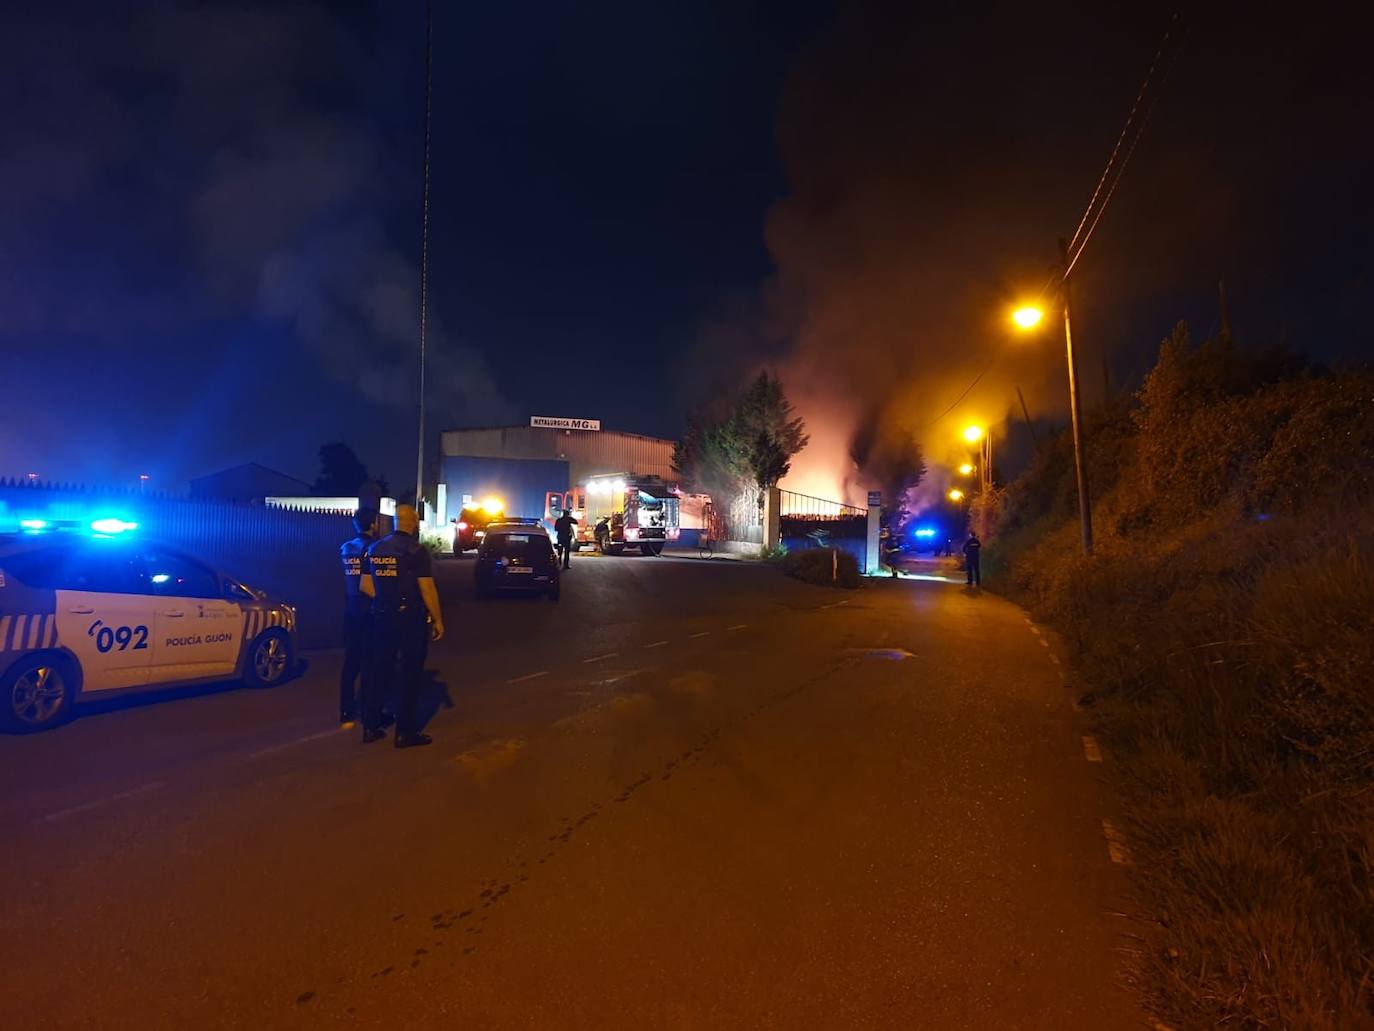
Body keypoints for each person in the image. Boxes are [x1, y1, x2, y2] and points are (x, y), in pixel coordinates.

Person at [359, 504, 445, 748]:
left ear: (396, 521)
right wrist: (438, 619)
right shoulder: (416, 551)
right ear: (415, 523)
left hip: (381, 617)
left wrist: (386, 598)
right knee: (410, 674)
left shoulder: (374, 548)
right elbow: (427, 589)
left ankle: (371, 726)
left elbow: (365, 587)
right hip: (410, 619)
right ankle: (405, 732)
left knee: (380, 671)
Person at [338, 507, 379, 728]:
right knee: (369, 663)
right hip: (369, 609)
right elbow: (370, 584)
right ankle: (368, 711)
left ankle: (345, 709)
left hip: (351, 607)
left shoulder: (345, 548)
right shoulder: (373, 549)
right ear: (373, 524)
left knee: (350, 662)